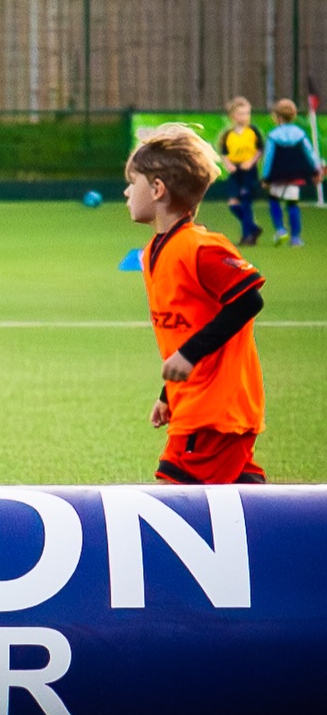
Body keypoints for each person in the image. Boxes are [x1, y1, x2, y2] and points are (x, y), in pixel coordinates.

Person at [125, 122, 265, 485]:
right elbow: (187, 325)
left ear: (157, 189)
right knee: (241, 501)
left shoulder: (200, 247)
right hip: (194, 406)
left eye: (132, 182)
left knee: (177, 505)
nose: (126, 191)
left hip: (215, 412)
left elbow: (248, 299)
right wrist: (167, 394)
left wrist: (188, 355)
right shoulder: (154, 250)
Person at [262, 97, 322, 247]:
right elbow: (310, 153)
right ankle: (295, 237)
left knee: (274, 200)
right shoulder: (300, 134)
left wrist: (265, 177)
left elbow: (268, 158)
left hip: (277, 175)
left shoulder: (273, 135)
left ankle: (281, 230)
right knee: (293, 204)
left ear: (277, 117)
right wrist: (316, 170)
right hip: (295, 175)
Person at [217, 97, 265, 246]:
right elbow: (224, 152)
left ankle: (247, 237)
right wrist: (228, 164)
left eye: (247, 113)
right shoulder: (228, 134)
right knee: (233, 203)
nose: (244, 117)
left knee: (246, 203)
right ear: (233, 116)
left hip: (248, 172)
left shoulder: (253, 132)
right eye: (241, 113)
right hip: (235, 172)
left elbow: (260, 149)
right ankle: (253, 227)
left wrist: (251, 161)